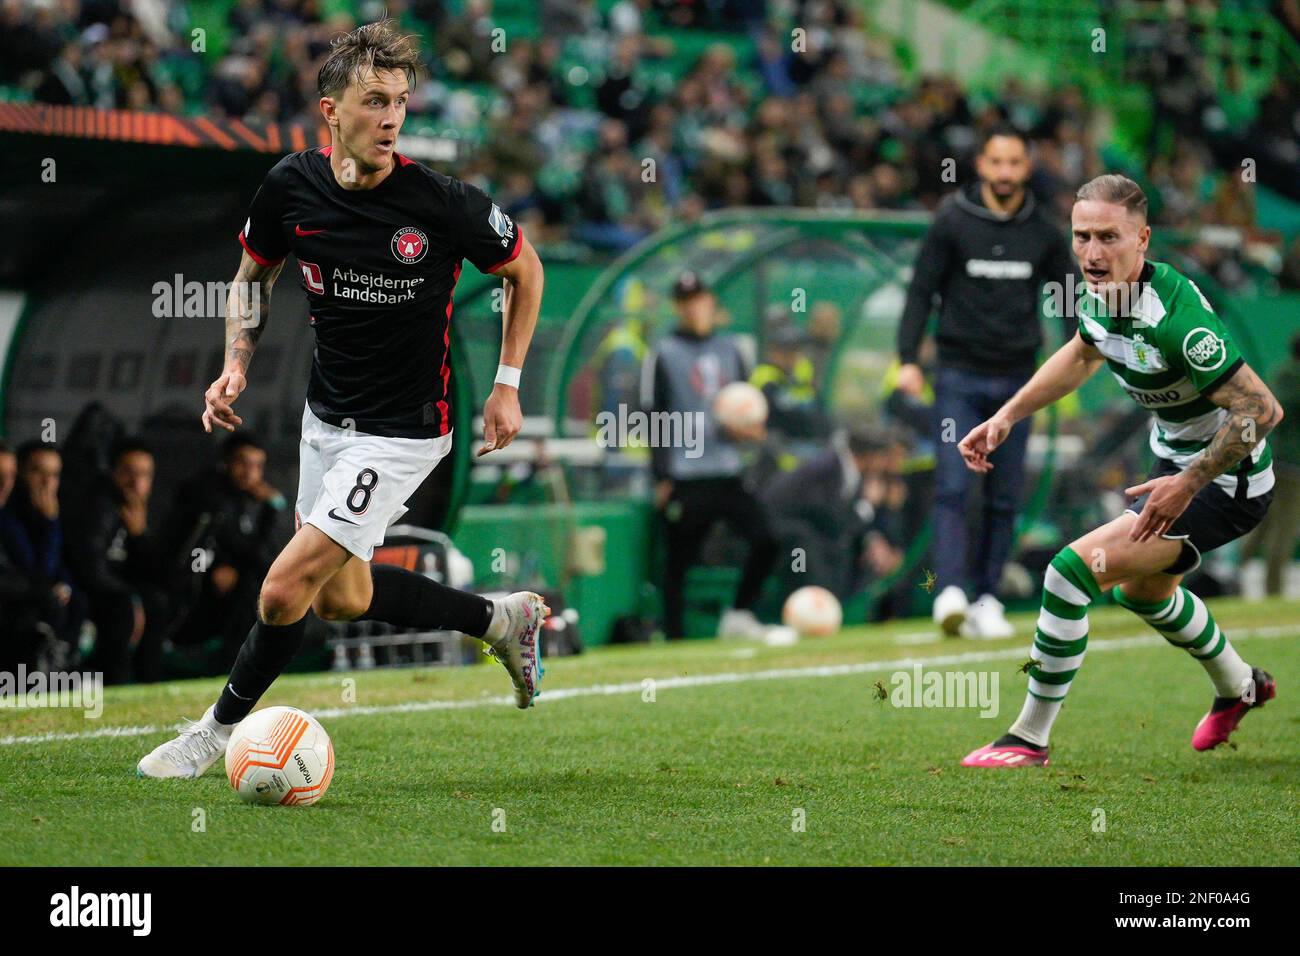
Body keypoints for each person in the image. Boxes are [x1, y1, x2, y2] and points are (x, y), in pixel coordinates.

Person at [138, 20, 548, 780]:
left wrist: (506, 385)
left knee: (284, 586)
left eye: (400, 102)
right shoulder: (291, 187)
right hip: (325, 420)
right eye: (373, 100)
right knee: (340, 596)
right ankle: (499, 617)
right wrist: (235, 365)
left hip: (404, 431)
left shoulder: (442, 203)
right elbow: (250, 277)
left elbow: (527, 271)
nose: (391, 118)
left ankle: (211, 735)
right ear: (331, 110)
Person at [959, 174, 1283, 768]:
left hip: (1227, 482)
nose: (1091, 252)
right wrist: (1007, 416)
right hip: (1174, 463)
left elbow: (1262, 409)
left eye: (1108, 237)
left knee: (1069, 574)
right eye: (1082, 236)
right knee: (1144, 591)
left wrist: (1189, 484)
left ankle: (1028, 737)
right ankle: (1242, 686)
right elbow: (1083, 352)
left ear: (1143, 240)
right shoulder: (1100, 292)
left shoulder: (1178, 322)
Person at [895, 125, 1077, 639]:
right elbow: (919, 292)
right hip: (957, 376)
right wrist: (908, 357)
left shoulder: (1042, 231)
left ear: (1027, 167)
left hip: (1019, 382)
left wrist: (1076, 358)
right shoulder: (951, 221)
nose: (1004, 173)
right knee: (953, 486)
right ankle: (949, 592)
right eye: (996, 162)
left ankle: (988, 598)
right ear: (980, 165)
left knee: (1004, 493)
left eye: (1014, 163)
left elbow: (1068, 298)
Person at [642, 270, 779, 639]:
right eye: (686, 302)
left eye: (700, 299)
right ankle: (672, 636)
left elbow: (749, 405)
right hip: (686, 473)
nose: (694, 308)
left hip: (728, 470)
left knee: (767, 538)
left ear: (711, 303)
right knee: (678, 561)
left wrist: (751, 431)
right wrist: (662, 476)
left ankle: (739, 613)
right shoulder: (664, 352)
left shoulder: (731, 348)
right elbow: (653, 414)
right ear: (678, 307)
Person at [159, 433, 287, 671]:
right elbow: (228, 544)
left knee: (266, 583)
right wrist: (271, 509)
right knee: (252, 586)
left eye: (257, 465)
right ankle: (233, 667)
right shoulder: (208, 494)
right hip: (189, 583)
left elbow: (266, 556)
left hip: (219, 581)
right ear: (225, 463)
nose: (250, 472)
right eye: (243, 463)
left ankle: (249, 663)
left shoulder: (245, 500)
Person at [65, 438, 167, 684]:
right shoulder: (99, 505)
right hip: (87, 588)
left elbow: (153, 571)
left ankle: (148, 682)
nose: (136, 482)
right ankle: (114, 681)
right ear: (113, 473)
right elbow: (90, 567)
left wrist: (139, 535)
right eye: (128, 473)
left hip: (117, 587)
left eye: (144, 474)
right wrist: (131, 597)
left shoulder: (137, 509)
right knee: (123, 608)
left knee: (157, 601)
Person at [0, 442, 81, 672]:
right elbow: (36, 570)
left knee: (75, 599)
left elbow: (62, 564)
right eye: (38, 472)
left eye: (54, 475)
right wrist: (50, 524)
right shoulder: (10, 516)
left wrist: (64, 585)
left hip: (25, 595)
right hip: (17, 602)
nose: (47, 483)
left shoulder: (48, 513)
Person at [1240, 332, 1300, 594]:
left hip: (1278, 458)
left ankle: (1232, 575)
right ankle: (1272, 590)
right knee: (1285, 529)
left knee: (1264, 524)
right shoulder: (1295, 378)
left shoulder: (1282, 372)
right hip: (1293, 465)